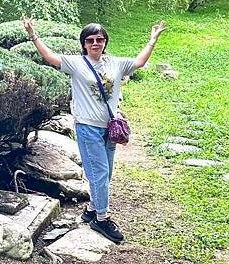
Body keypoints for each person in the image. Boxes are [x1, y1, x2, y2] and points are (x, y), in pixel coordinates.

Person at [22, 19, 167, 243]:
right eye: (90, 40)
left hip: (109, 127)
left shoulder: (115, 64)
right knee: (98, 174)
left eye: (100, 39)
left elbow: (139, 62)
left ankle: (91, 208)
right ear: (84, 44)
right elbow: (50, 57)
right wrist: (33, 35)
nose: (95, 43)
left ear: (105, 42)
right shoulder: (76, 64)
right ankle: (101, 218)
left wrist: (152, 40)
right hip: (88, 128)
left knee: (105, 173)